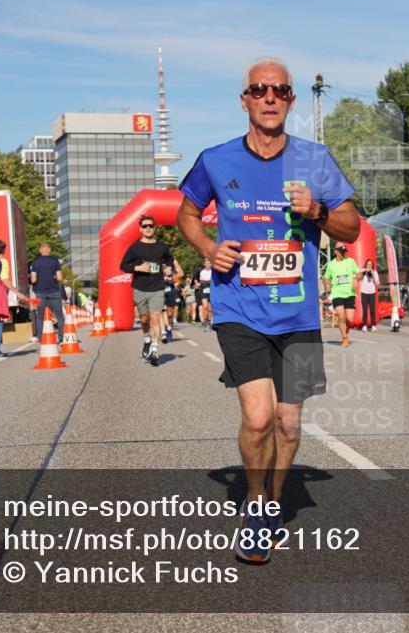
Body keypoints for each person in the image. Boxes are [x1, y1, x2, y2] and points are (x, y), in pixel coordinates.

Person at [176, 56, 360, 564]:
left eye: (279, 90)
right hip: (240, 306)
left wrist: (318, 211)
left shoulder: (314, 160)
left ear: (292, 100)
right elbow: (185, 213)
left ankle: (275, 502)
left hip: (298, 314)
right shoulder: (216, 160)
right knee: (258, 419)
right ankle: (255, 507)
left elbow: (351, 228)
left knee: (289, 425)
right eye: (259, 90)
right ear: (245, 101)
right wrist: (208, 248)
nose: (270, 97)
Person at [120, 214, 181, 366]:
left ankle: (154, 350)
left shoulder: (162, 247)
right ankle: (147, 339)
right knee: (144, 319)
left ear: (155, 228)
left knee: (155, 318)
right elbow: (123, 265)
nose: (148, 228)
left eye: (151, 226)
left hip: (157, 288)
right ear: (141, 229)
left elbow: (169, 262)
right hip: (140, 288)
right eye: (145, 226)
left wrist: (169, 270)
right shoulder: (135, 247)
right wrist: (138, 267)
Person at [324, 245, 361, 346]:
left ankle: (346, 326)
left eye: (344, 251)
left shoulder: (350, 261)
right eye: (341, 251)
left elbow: (359, 273)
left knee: (349, 319)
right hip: (337, 294)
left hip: (350, 293)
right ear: (335, 251)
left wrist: (356, 278)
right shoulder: (331, 265)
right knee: (341, 316)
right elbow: (326, 277)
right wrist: (327, 285)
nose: (343, 253)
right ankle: (345, 338)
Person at [28, 242, 64, 340]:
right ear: (49, 250)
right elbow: (60, 278)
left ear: (40, 250)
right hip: (54, 291)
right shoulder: (55, 261)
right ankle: (61, 339)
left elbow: (33, 280)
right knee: (59, 315)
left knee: (40, 316)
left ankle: (41, 338)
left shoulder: (35, 262)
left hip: (40, 292)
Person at [359, 259, 380, 332]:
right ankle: (364, 325)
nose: (369, 266)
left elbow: (377, 283)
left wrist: (373, 275)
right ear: (366, 265)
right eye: (368, 264)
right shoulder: (363, 271)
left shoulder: (374, 272)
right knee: (364, 310)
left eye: (370, 264)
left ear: (372, 265)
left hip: (372, 293)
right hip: (364, 293)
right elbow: (358, 272)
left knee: (372, 310)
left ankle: (373, 325)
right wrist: (365, 270)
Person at [197, 258, 213, 331]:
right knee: (205, 306)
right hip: (203, 288)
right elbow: (202, 280)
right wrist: (208, 281)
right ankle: (204, 322)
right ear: (204, 264)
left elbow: (212, 280)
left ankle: (209, 323)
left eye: (209, 263)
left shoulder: (213, 272)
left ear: (211, 265)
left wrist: (208, 281)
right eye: (206, 263)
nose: (207, 264)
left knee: (210, 309)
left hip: (211, 288)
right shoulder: (202, 272)